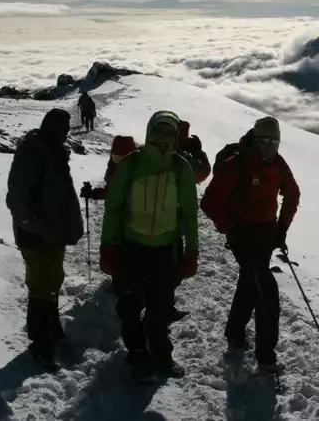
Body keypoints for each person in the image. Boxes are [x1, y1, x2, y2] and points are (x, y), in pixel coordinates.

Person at [99, 111, 199, 382]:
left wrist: (192, 251)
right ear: (149, 132)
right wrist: (108, 247)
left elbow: (190, 213)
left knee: (161, 306)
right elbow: (113, 209)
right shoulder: (131, 165)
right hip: (132, 246)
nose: (162, 139)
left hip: (166, 249)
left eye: (169, 134)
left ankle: (160, 353)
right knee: (130, 304)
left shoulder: (181, 168)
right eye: (158, 132)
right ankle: (138, 354)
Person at [200, 116, 300, 369]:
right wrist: (232, 229)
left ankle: (234, 333)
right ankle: (265, 354)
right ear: (255, 140)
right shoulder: (238, 164)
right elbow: (209, 202)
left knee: (250, 283)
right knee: (266, 290)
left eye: (274, 142)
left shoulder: (277, 164)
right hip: (243, 236)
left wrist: (282, 229)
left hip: (265, 235)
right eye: (264, 141)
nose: (269, 146)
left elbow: (293, 194)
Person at [6, 108, 84, 372]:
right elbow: (18, 200)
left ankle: (51, 327)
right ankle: (41, 344)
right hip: (37, 236)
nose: (65, 132)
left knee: (53, 279)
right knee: (40, 286)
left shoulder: (51, 151)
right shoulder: (33, 152)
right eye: (62, 127)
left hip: (52, 233)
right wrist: (38, 228)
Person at [168, 120, 211, 321]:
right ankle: (162, 309)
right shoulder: (182, 160)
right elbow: (202, 172)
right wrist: (199, 153)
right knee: (171, 270)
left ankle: (159, 305)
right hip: (172, 224)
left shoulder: (151, 154)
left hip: (153, 222)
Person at [81, 135, 138, 201]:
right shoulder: (114, 167)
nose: (120, 165)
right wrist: (93, 193)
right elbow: (111, 191)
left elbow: (115, 192)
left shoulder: (139, 170)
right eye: (115, 158)